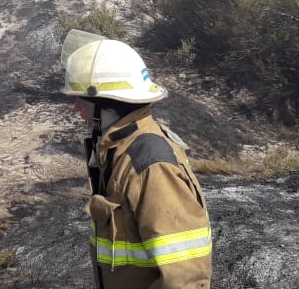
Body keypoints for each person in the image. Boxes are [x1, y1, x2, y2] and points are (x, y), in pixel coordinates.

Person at [61, 32, 212, 288]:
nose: (77, 108)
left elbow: (184, 281)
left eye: (81, 100)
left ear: (104, 104)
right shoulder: (121, 149)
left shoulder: (150, 165)